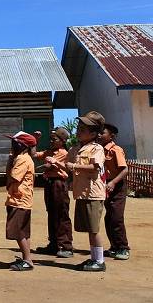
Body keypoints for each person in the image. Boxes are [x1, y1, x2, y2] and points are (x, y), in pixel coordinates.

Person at [48, 111, 108, 271]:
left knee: (94, 229)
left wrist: (74, 166)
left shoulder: (97, 149)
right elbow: (67, 166)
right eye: (79, 128)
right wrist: (56, 162)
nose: (78, 131)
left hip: (93, 193)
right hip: (81, 193)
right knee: (89, 228)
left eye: (83, 129)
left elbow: (95, 167)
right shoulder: (76, 149)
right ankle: (94, 258)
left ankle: (100, 261)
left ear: (94, 133)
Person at [33, 127, 73, 258]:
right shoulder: (50, 151)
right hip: (50, 183)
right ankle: (54, 244)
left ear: (62, 140)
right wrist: (35, 141)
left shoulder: (63, 152)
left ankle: (66, 245)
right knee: (52, 213)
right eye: (50, 139)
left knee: (61, 214)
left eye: (54, 139)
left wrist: (49, 166)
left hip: (59, 184)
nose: (51, 141)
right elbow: (34, 155)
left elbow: (51, 165)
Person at [4, 131, 36, 271]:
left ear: (22, 146)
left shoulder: (22, 159)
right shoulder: (21, 158)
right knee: (23, 231)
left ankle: (27, 260)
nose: (12, 145)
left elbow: (12, 177)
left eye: (14, 143)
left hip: (19, 200)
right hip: (21, 199)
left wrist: (10, 160)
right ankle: (26, 257)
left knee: (18, 232)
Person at [100, 123, 130, 260]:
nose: (100, 135)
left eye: (103, 132)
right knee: (109, 217)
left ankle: (123, 248)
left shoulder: (115, 150)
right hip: (107, 185)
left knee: (116, 217)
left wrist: (113, 182)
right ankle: (114, 246)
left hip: (117, 185)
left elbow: (125, 170)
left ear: (111, 135)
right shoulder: (101, 150)